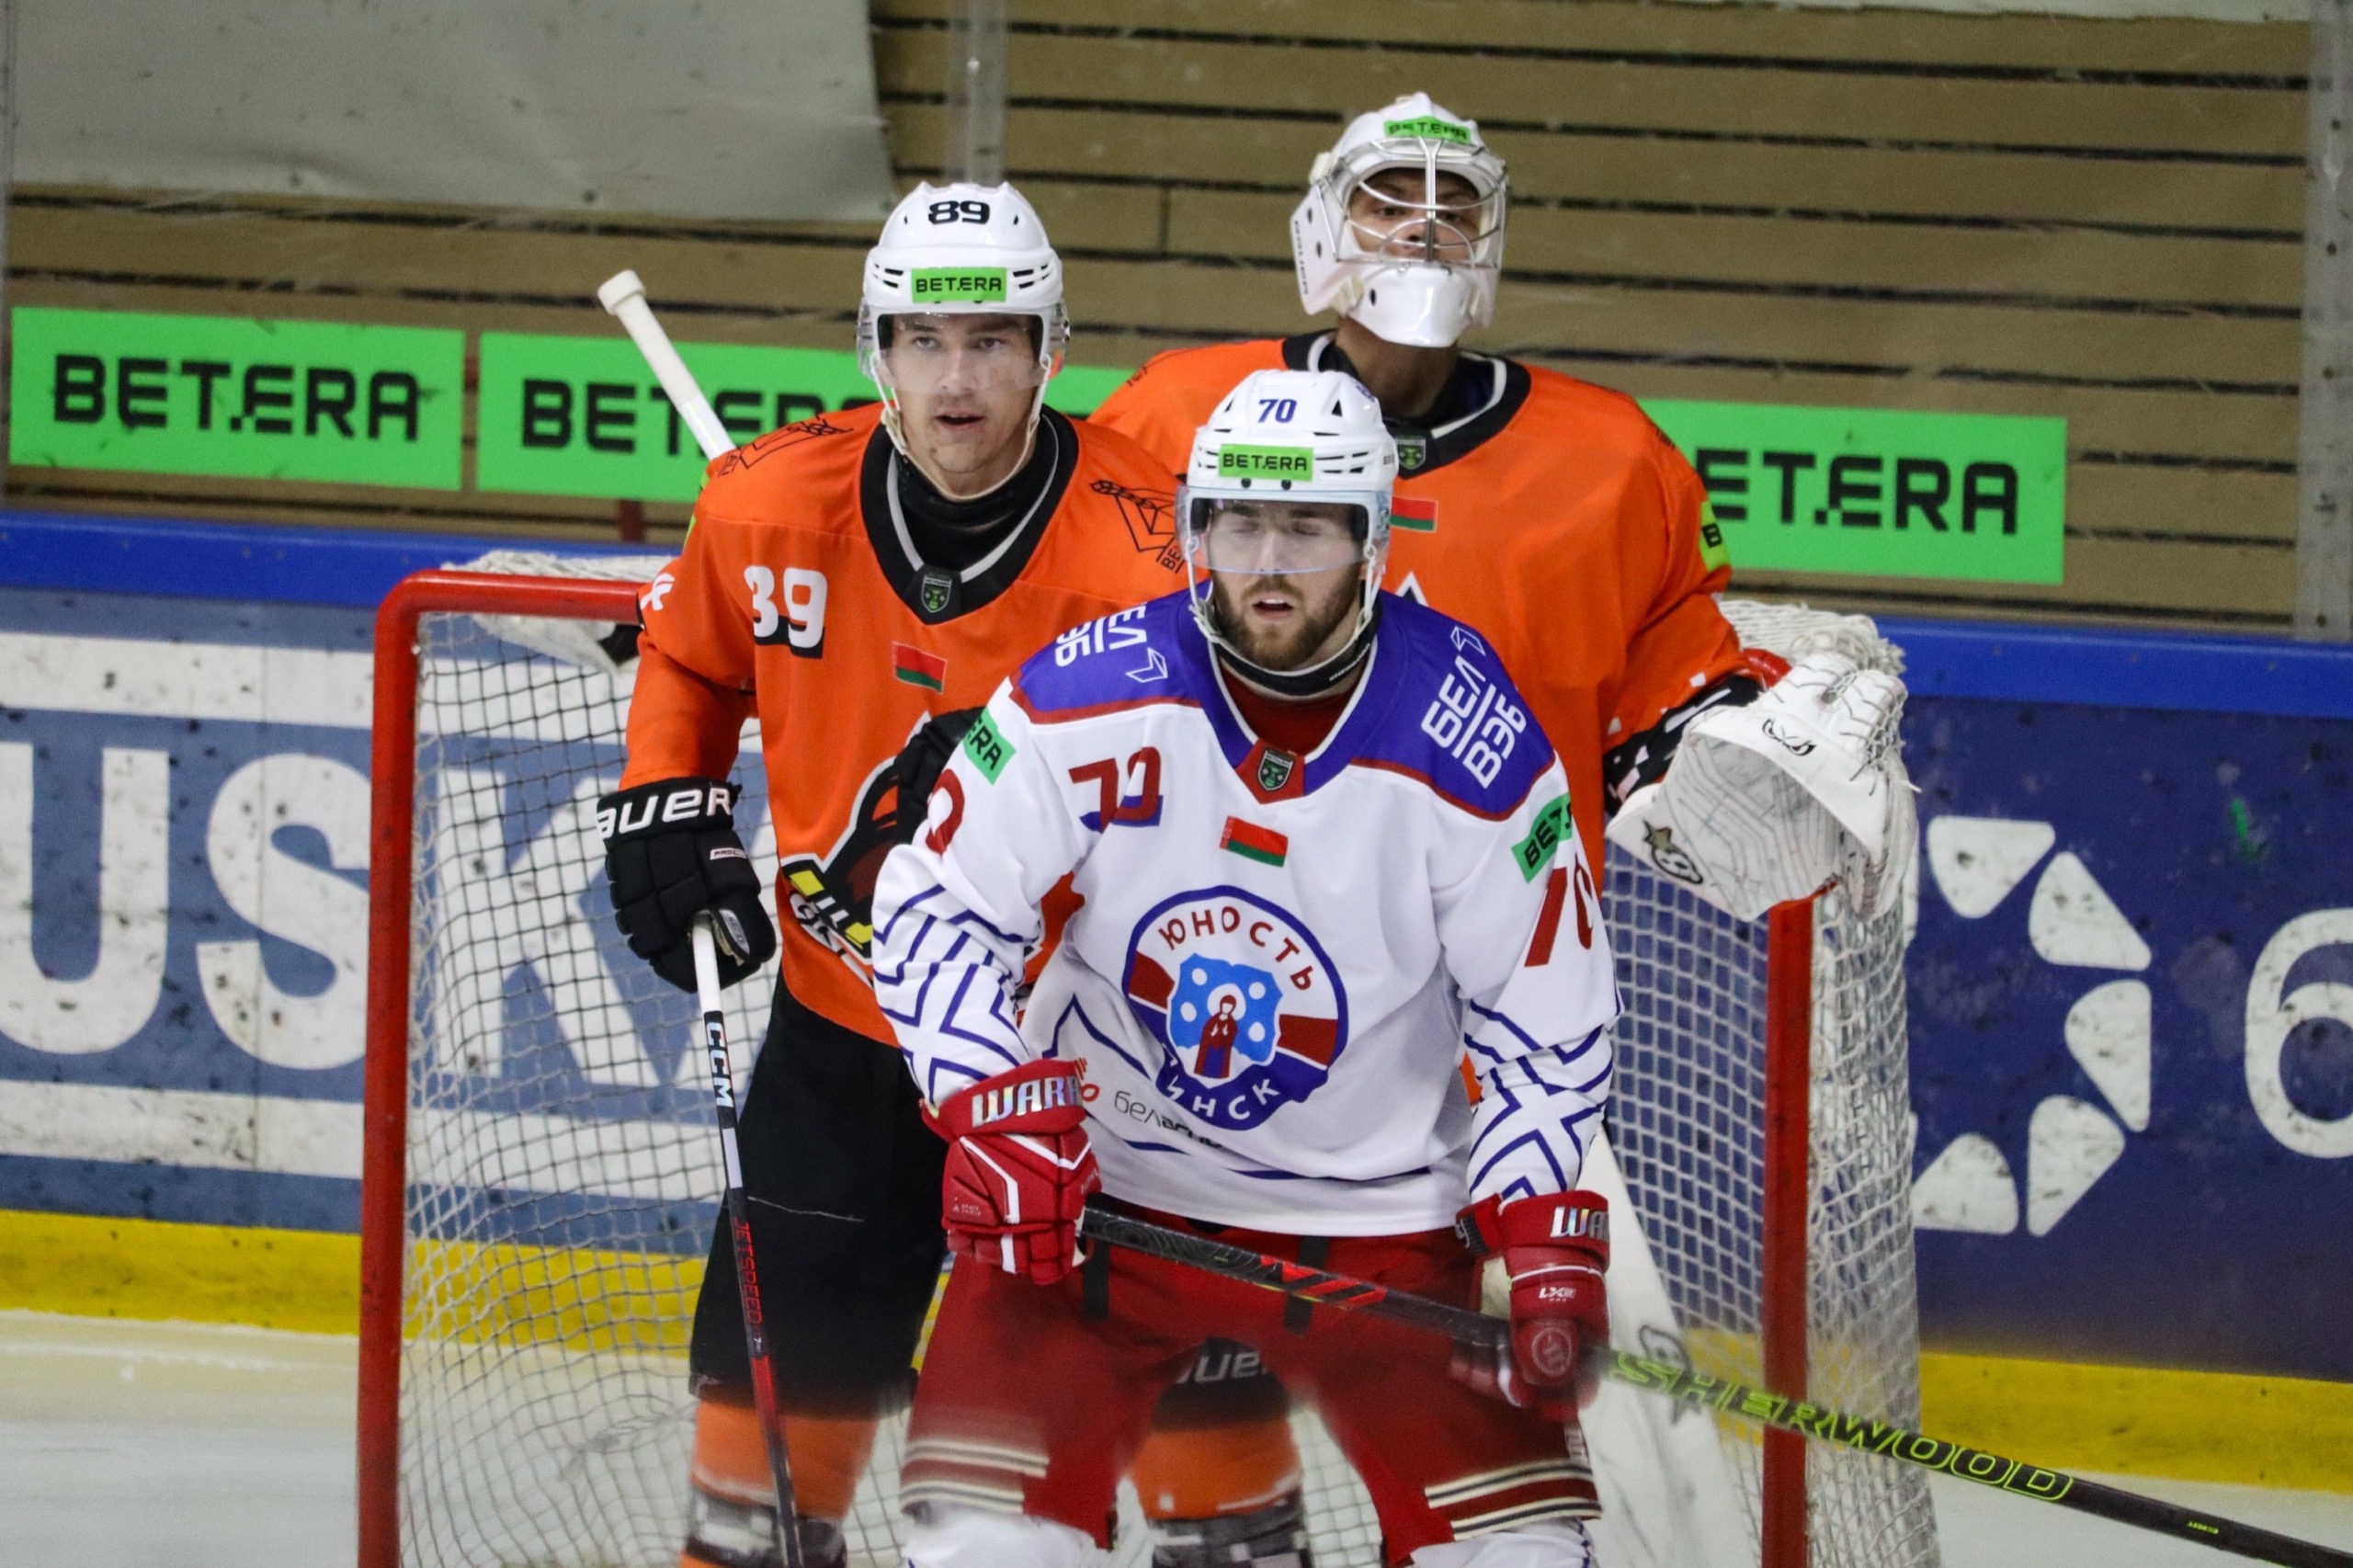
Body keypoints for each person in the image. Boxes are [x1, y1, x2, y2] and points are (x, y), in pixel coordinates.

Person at [1087, 94, 1913, 1562]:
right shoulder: (1172, 417)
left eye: (1452, 202)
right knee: (1210, 1465)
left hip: (1485, 1069)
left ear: (1494, 239)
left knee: (1516, 1482)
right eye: (1386, 196)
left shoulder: (1611, 463)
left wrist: (1765, 752)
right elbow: (1063, 639)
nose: (1420, 227)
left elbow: (1670, 714)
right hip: (1218, 1020)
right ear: (1320, 227)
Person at [870, 369, 1622, 1568]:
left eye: (1309, 527)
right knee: (978, 1549)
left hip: (1384, 1230)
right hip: (1099, 1210)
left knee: (1522, 1561)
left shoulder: (1469, 738)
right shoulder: (1086, 689)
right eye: (1240, 523)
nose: (1269, 564)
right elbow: (935, 904)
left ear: (1372, 539)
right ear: (1196, 531)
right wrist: (989, 1101)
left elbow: (1545, 1019)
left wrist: (1535, 1220)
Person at [596, 178, 1187, 1568]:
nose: (956, 378)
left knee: (1057, 1521)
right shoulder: (763, 501)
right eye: (924, 340)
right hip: (840, 1040)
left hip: (1070, 1075)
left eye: (991, 341)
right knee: (752, 1509)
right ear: (878, 350)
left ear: (1050, 351)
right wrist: (667, 796)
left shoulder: (1153, 546)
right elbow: (689, 656)